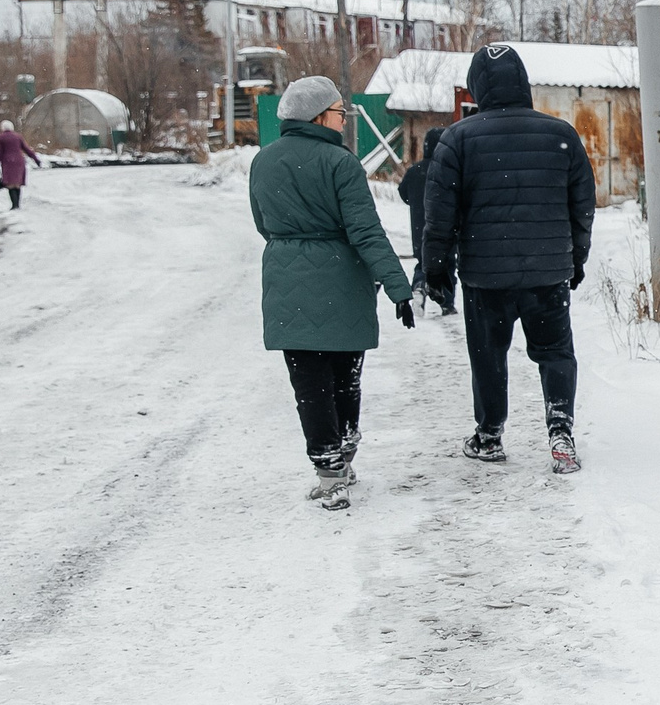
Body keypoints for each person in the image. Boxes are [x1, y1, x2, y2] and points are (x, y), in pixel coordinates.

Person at [421, 44, 594, 474]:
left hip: (485, 275)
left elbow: (439, 215)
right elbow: (582, 206)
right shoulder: (561, 135)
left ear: (478, 86)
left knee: (488, 355)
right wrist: (575, 259)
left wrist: (435, 269)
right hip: (547, 271)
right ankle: (560, 430)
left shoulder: (457, 139)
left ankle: (489, 435)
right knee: (555, 352)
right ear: (523, 82)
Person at [249, 75, 416, 509]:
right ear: (318, 115)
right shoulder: (341, 164)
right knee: (345, 379)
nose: (344, 118)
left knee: (309, 385)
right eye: (340, 111)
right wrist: (398, 287)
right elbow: (365, 231)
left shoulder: (263, 161)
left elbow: (263, 224)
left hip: (287, 283)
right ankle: (343, 455)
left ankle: (329, 472)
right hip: (343, 282)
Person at [397, 127, 454, 312]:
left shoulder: (415, 171)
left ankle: (419, 286)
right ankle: (446, 303)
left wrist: (416, 203)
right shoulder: (447, 171)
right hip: (445, 227)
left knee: (423, 262)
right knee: (447, 264)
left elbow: (403, 193)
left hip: (419, 225)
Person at [0, 120, 40, 210]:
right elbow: (27, 149)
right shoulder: (18, 137)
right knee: (17, 182)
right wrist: (35, 159)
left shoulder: (0, 138)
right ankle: (17, 204)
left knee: (10, 183)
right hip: (19, 161)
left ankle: (14, 205)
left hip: (8, 162)